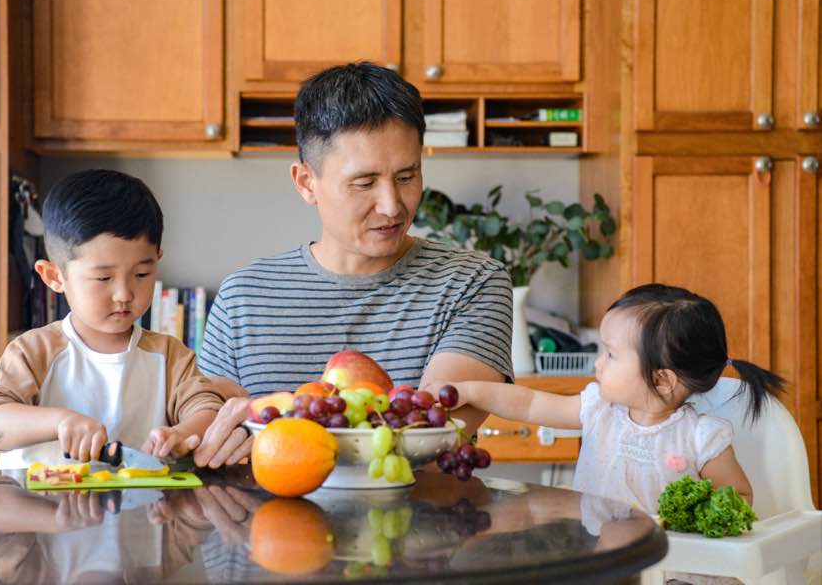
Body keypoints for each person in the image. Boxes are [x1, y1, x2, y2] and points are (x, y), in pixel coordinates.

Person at [193, 62, 514, 469]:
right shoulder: (244, 295)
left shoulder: (473, 283)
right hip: (272, 525)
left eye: (407, 176)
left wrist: (266, 418)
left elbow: (435, 431)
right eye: (364, 183)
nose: (392, 205)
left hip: (424, 525)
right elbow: (212, 425)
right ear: (306, 183)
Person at [424, 283, 785, 512]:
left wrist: (695, 521)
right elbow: (530, 404)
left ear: (661, 380)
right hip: (603, 559)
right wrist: (471, 390)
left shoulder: (702, 437)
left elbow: (739, 497)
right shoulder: (599, 409)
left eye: (611, 354)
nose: (599, 363)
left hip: (673, 570)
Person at [0, 169, 228, 468]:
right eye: (103, 277)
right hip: (40, 509)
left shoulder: (169, 356)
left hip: (142, 510)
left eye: (141, 274)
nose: (124, 293)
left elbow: (207, 408)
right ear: (55, 276)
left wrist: (180, 434)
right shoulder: (34, 351)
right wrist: (60, 422)